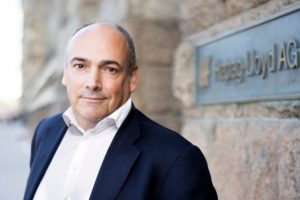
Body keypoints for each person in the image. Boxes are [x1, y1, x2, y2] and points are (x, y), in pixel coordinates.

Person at [24, 22, 218, 200]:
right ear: (65, 73)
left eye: (110, 69)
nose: (92, 83)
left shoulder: (177, 159)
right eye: (80, 66)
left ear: (132, 78)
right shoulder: (46, 132)